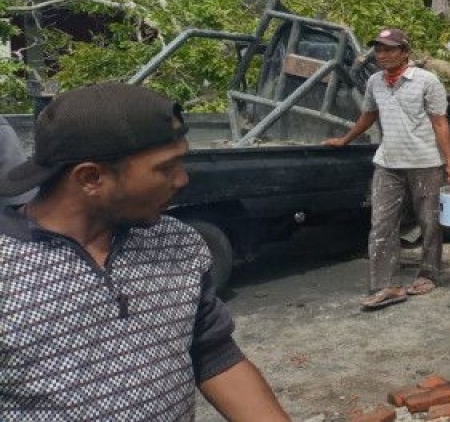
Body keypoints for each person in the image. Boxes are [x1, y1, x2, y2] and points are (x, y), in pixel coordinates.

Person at [0, 83, 288, 421]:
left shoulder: (177, 242)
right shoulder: (7, 265)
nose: (182, 179)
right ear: (91, 177)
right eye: (165, 168)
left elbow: (211, 351)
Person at [324, 28, 450, 311]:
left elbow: (440, 122)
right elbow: (369, 115)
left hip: (425, 163)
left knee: (429, 222)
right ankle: (386, 286)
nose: (382, 55)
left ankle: (428, 273)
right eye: (379, 50)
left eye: (389, 49)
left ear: (405, 52)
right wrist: (344, 139)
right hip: (388, 163)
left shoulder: (427, 81)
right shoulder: (375, 81)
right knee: (381, 225)